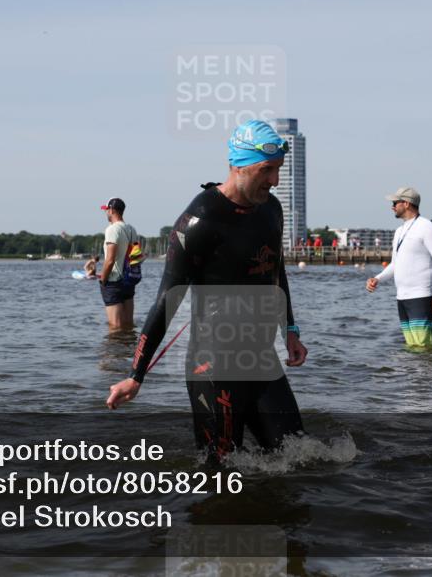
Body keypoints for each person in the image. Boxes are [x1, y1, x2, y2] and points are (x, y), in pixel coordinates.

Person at [106, 120, 308, 458]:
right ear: (238, 166)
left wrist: (289, 328)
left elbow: (276, 269)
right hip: (214, 363)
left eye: (278, 170)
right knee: (220, 468)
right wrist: (135, 376)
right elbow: (166, 302)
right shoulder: (198, 222)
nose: (274, 180)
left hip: (261, 357)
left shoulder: (271, 210)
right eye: (267, 170)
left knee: (299, 454)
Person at [366, 188, 432, 351]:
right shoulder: (399, 231)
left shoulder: (427, 227)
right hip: (402, 297)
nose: (392, 207)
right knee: (412, 347)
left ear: (407, 203)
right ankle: (412, 376)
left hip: (421, 295)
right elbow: (395, 264)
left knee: (424, 347)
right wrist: (378, 279)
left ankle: (428, 375)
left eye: (395, 203)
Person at [98, 198, 140, 330]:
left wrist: (103, 280)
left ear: (111, 210)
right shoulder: (132, 229)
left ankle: (115, 351)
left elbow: (110, 259)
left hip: (114, 281)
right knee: (128, 325)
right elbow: (136, 256)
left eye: (106, 210)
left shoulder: (112, 229)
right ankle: (129, 350)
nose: (106, 213)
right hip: (129, 280)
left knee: (115, 327)